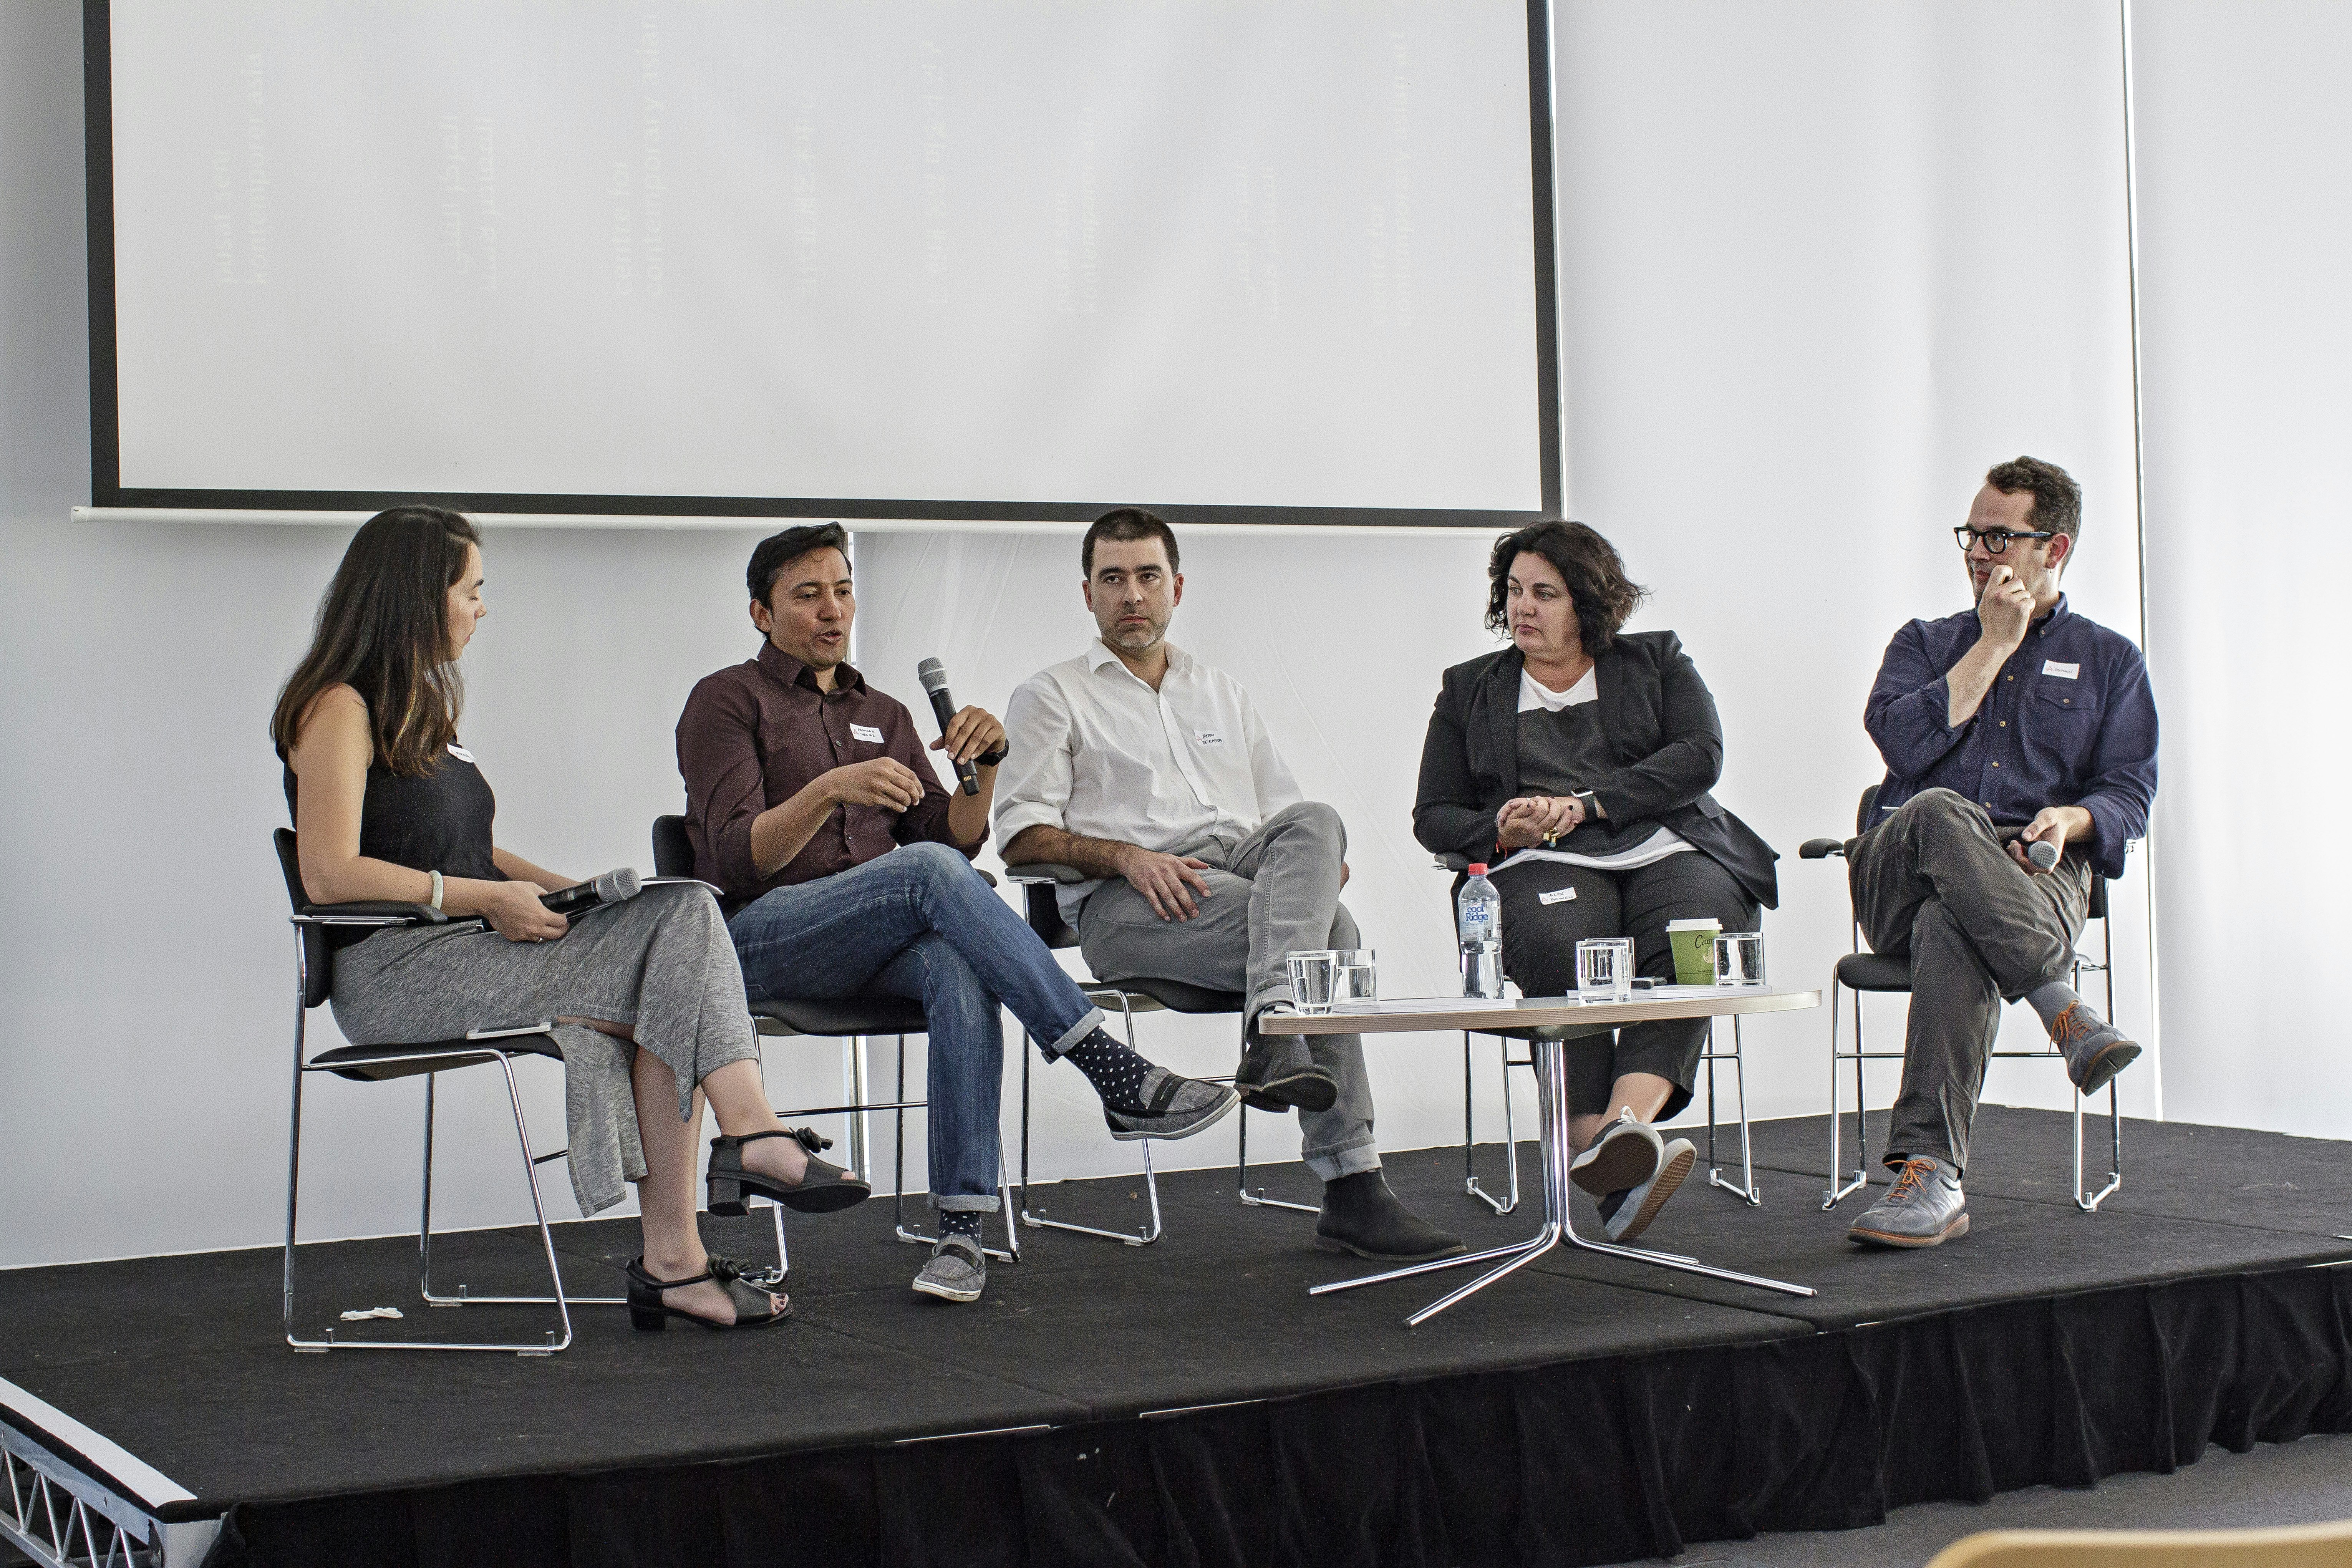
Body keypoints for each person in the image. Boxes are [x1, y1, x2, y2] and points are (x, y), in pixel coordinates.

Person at [275, 506, 860, 1336]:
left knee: (673, 927)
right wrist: (484, 901)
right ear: (416, 594)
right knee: (685, 924)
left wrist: (581, 892)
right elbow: (328, 872)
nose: (482, 608)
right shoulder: (337, 706)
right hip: (393, 976)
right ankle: (746, 1145)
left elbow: (473, 851)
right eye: (471, 590)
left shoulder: (417, 712)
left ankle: (679, 1258)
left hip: (460, 948)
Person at [675, 523, 1237, 1305]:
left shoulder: (886, 711)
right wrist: (829, 790)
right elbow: (737, 858)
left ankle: (961, 1231)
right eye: (807, 596)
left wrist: (988, 769)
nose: (832, 611)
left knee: (957, 958)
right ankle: (1106, 1065)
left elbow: (952, 838)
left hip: (877, 939)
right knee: (924, 879)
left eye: (842, 590)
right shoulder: (727, 700)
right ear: (759, 614)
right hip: (760, 937)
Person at [995, 507, 1464, 1263]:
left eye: (1147, 576)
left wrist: (1314, 866)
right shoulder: (1051, 695)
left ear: (1176, 586)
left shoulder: (1219, 691)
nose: (1131, 594)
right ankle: (1352, 1182)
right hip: (1131, 899)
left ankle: (1271, 1026)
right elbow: (1018, 836)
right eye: (1111, 579)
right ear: (1086, 594)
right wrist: (1125, 857)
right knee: (1333, 937)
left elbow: (1287, 819)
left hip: (1237, 871)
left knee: (1318, 818)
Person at [1412, 521, 1780, 1242]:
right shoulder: (1470, 690)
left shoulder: (1657, 660)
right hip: (1539, 861)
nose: (1523, 607)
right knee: (1557, 936)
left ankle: (1618, 1132)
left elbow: (1700, 756)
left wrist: (1587, 804)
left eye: (1544, 593)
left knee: (1691, 935)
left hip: (1665, 845)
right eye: (1514, 590)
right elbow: (1434, 815)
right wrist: (1502, 830)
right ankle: (1608, 1151)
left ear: (1587, 601)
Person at [1843, 457, 2158, 1249]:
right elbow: (1901, 742)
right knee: (1943, 809)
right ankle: (2063, 1011)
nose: (1976, 552)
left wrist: (2071, 818)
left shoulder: (2111, 659)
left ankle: (1929, 1177)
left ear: (2051, 548)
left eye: (1996, 536)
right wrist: (1992, 643)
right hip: (1900, 874)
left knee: (1960, 927)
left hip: (2033, 874)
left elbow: (2128, 791)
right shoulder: (1925, 642)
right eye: (1970, 535)